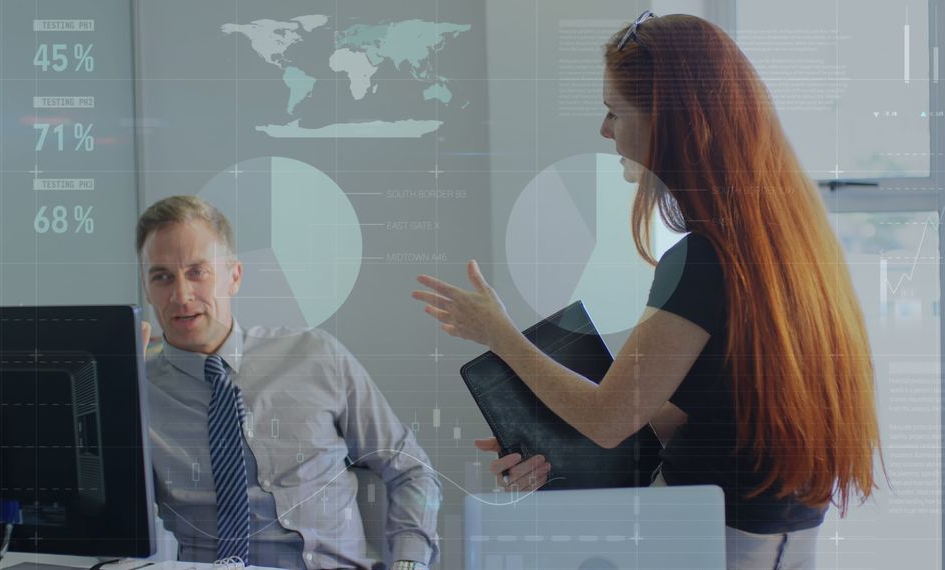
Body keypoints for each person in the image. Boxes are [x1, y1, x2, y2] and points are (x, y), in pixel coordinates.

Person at [412, 12, 880, 570]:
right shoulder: (788, 248)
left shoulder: (704, 260)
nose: (604, 130)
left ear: (673, 123)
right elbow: (690, 416)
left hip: (709, 539)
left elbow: (612, 417)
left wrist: (500, 334)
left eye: (615, 111)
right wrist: (552, 443)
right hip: (770, 539)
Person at [139, 195, 440, 569]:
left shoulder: (314, 356)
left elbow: (409, 467)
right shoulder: (138, 391)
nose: (181, 295)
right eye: (162, 277)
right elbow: (104, 521)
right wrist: (115, 405)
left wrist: (409, 564)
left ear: (234, 276)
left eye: (197, 271)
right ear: (147, 288)